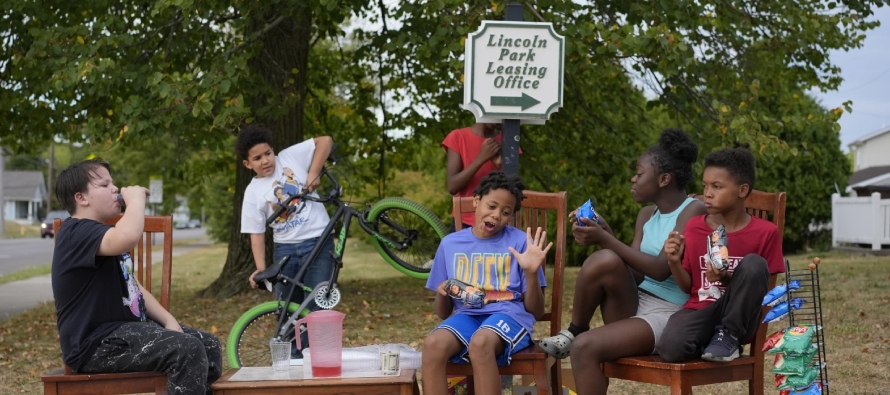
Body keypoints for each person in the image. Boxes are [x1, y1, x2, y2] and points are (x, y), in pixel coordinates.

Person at [538, 128, 707, 394]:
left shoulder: (693, 210)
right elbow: (637, 274)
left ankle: (576, 337)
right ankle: (574, 331)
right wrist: (607, 235)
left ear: (664, 179)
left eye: (640, 173)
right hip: (637, 301)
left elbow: (662, 269)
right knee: (604, 259)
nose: (633, 178)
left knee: (585, 348)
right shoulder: (646, 215)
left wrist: (607, 240)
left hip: (669, 314)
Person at [51, 158, 221, 395]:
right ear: (81, 198)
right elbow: (128, 237)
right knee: (187, 349)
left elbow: (133, 285)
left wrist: (168, 321)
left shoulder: (102, 235)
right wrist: (136, 201)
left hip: (126, 333)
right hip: (95, 345)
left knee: (209, 344)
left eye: (114, 182)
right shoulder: (75, 232)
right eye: (104, 184)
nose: (115, 189)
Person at [422, 172, 552, 395]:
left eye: (505, 212)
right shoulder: (450, 244)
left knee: (481, 343)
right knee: (433, 344)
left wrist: (531, 273)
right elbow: (443, 314)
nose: (496, 215)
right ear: (476, 200)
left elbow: (536, 311)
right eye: (491, 206)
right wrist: (443, 292)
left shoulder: (520, 242)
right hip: (467, 316)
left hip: (509, 316)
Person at [657, 146, 784, 362]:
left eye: (717, 186)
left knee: (754, 264)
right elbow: (689, 287)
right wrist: (674, 262)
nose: (707, 193)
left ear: (742, 190)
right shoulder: (694, 227)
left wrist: (725, 277)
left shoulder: (765, 232)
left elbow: (763, 290)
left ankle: (728, 337)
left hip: (741, 318)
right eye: (705, 185)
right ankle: (713, 342)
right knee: (669, 347)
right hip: (702, 309)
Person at [236, 125, 334, 308]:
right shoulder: (251, 192)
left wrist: (313, 173)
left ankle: (318, 337)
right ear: (247, 164)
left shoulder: (290, 156)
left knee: (318, 306)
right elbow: (256, 233)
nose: (265, 161)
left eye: (268, 153)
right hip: (285, 251)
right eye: (257, 158)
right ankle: (291, 338)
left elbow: (325, 141)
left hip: (319, 242)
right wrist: (261, 269)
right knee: (286, 310)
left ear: (273, 150)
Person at [443, 122, 503, 231]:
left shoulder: (508, 139)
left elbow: (513, 186)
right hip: (464, 222)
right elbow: (452, 186)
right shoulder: (458, 137)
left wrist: (499, 165)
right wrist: (481, 158)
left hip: (498, 221)